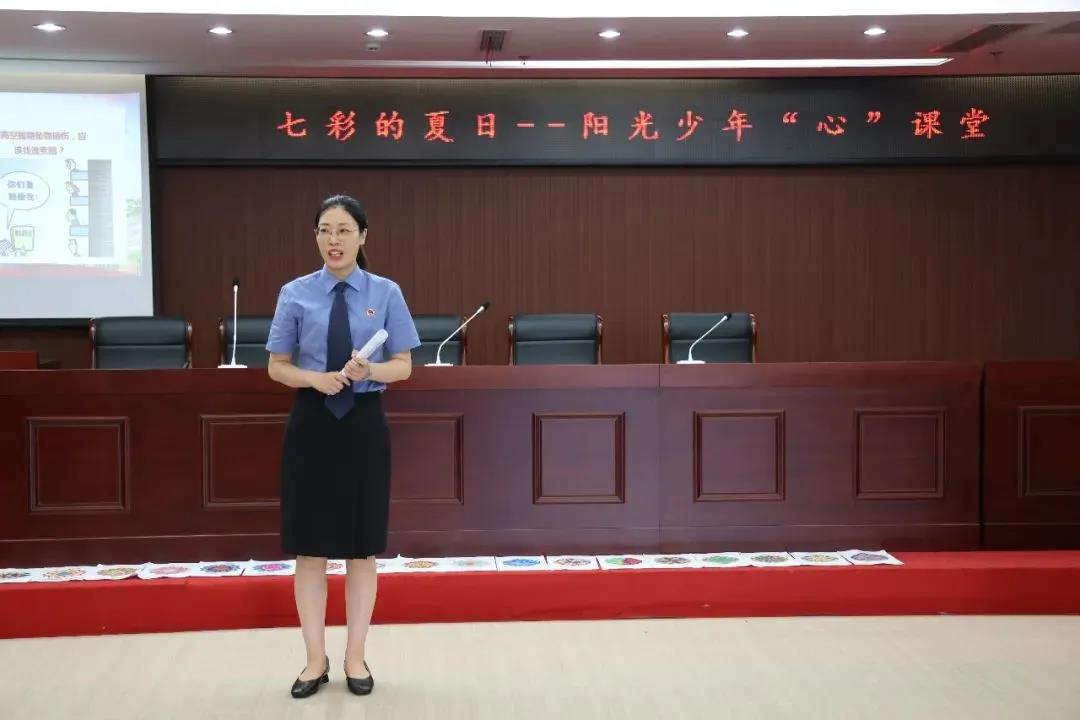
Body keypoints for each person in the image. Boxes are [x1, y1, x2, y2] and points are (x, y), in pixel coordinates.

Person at [266, 194, 420, 699]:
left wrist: (369, 369)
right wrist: (316, 379)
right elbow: (277, 366)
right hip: (312, 423)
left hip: (363, 424)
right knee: (310, 548)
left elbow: (404, 365)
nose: (334, 240)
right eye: (325, 230)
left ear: (362, 236)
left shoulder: (386, 292)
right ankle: (315, 660)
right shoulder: (295, 293)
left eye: (344, 230)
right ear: (316, 236)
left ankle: (356, 656)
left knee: (360, 547)